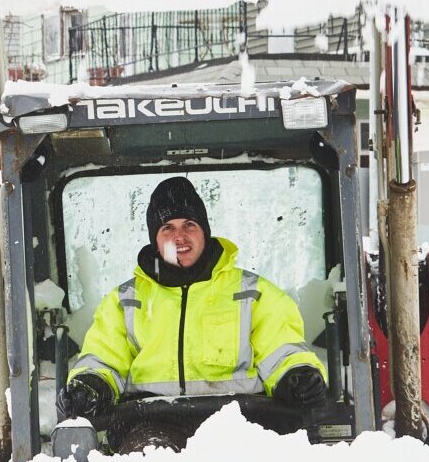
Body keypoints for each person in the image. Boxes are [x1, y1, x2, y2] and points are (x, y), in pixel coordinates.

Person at [63, 176, 330, 428]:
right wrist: (91, 385)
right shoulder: (125, 302)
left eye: (189, 224)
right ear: (155, 242)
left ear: (204, 232)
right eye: (168, 228)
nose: (180, 236)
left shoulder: (253, 293)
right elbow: (104, 357)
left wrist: (297, 376)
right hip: (150, 421)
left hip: (240, 422)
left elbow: (281, 350)